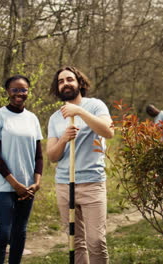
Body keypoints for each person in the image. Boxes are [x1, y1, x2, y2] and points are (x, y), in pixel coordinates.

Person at [47, 66, 114, 264]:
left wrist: (80, 111)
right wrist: (63, 139)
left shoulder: (95, 105)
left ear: (79, 83)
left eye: (69, 79)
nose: (65, 83)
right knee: (75, 242)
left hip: (92, 183)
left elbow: (108, 132)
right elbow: (52, 156)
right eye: (61, 81)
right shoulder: (54, 118)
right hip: (65, 185)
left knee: (96, 241)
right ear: (57, 88)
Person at [0, 75, 43, 264]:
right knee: (3, 233)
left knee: (20, 233)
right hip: (5, 186)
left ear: (28, 91)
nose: (19, 94)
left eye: (23, 90)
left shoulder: (33, 118)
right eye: (15, 89)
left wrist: (36, 183)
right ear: (7, 92)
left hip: (27, 188)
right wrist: (15, 183)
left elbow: (38, 156)